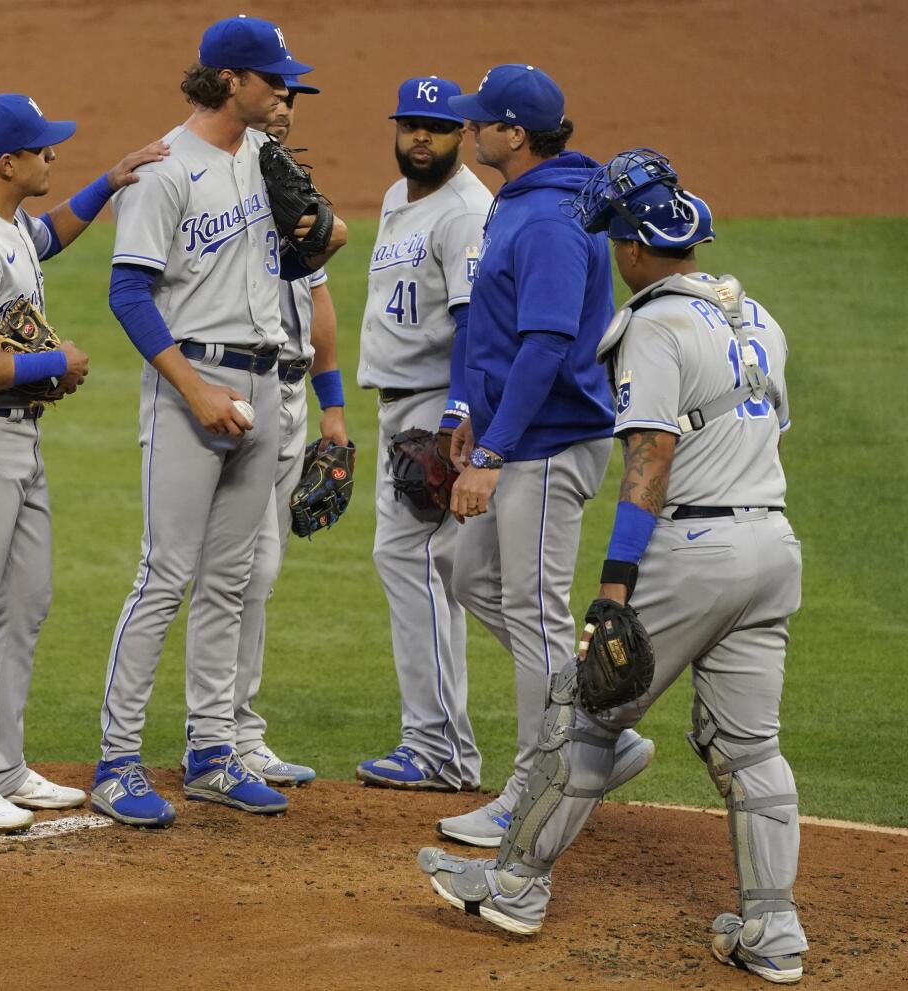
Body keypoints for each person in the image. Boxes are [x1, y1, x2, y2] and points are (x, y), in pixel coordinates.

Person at [420, 148, 807, 985]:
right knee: (749, 750)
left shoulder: (654, 329)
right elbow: (768, 432)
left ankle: (516, 884)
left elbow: (652, 459)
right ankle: (774, 930)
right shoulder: (760, 318)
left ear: (631, 250)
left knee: (586, 708)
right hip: (774, 547)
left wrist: (614, 586)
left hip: (694, 551)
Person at [91, 15, 346, 827]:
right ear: (230, 80)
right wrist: (193, 389)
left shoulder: (263, 161)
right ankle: (118, 760)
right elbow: (128, 292)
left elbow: (302, 259)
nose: (284, 92)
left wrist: (317, 244)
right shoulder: (167, 170)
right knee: (166, 573)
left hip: (269, 380)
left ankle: (212, 752)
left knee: (232, 580)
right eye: (273, 79)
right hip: (192, 384)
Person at [0, 95, 167, 834]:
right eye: (44, 150)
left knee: (24, 603)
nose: (53, 157)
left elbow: (46, 237)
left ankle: (0, 763)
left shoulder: (4, 226)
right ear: (8, 163)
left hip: (17, 437)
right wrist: (57, 360)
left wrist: (109, 182)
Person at [434, 65, 653, 846]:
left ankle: (534, 785)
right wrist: (468, 409)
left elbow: (547, 343)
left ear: (514, 134)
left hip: (550, 442)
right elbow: (487, 325)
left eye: (478, 122)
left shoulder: (556, 219)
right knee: (467, 573)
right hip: (516, 435)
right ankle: (599, 732)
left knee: (534, 612)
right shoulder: (522, 200)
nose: (467, 131)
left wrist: (493, 447)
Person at [353, 76, 493, 793]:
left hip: (437, 405)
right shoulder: (394, 198)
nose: (420, 138)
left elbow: (473, 323)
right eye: (410, 124)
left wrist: (455, 419)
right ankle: (435, 742)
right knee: (411, 566)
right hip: (399, 405)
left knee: (420, 567)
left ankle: (439, 748)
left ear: (462, 135)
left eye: (436, 128)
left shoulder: (467, 211)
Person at [218, 72, 347, 787]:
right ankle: (217, 731)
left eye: (297, 98)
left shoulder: (292, 186)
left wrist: (333, 409)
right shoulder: (229, 190)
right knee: (231, 569)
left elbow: (317, 306)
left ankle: (240, 727)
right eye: (280, 95)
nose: (287, 108)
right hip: (241, 390)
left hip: (294, 398)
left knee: (261, 571)